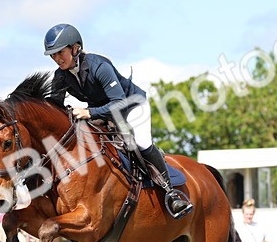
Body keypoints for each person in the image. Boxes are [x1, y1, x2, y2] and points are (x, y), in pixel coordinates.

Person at [44, 23, 192, 219]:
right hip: (102, 113)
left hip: (131, 106)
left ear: (75, 48)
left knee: (141, 143)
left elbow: (119, 102)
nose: (56, 58)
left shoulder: (99, 66)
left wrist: (88, 113)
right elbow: (54, 107)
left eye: (59, 52)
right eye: (53, 55)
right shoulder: (60, 76)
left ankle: (171, 192)